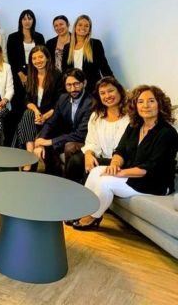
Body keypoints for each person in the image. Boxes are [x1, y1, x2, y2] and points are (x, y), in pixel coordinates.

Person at [73, 85, 178, 230]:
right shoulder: (134, 126)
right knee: (96, 171)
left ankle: (92, 217)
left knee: (105, 182)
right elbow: (121, 150)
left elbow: (152, 167)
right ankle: (84, 209)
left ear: (160, 104)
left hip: (154, 182)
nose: (145, 106)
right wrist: (114, 165)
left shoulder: (167, 133)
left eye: (151, 101)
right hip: (132, 174)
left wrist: (120, 173)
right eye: (140, 102)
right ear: (135, 105)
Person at [64, 76, 130, 184]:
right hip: (101, 157)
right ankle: (67, 189)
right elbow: (91, 141)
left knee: (91, 167)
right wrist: (88, 154)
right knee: (76, 161)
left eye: (110, 91)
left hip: (121, 161)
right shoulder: (96, 116)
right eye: (102, 93)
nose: (107, 96)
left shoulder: (130, 117)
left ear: (119, 91)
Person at [34, 68, 93, 176]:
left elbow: (81, 134)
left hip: (84, 140)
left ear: (84, 83)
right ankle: (53, 176)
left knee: (69, 146)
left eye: (76, 84)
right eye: (69, 85)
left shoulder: (91, 103)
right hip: (67, 135)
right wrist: (40, 141)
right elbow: (51, 122)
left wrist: (50, 141)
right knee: (43, 137)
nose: (72, 89)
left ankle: (68, 180)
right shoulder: (63, 98)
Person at [12, 46, 62, 170]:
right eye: (34, 58)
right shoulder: (31, 76)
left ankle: (29, 161)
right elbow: (27, 99)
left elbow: (59, 103)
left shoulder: (57, 76)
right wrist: (36, 111)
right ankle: (30, 156)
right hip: (36, 116)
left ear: (47, 58)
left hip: (52, 116)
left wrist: (45, 116)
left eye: (40, 57)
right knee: (28, 113)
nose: (37, 60)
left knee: (24, 121)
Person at [6, 9, 45, 145]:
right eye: (24, 18)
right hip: (18, 76)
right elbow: (11, 58)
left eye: (30, 18)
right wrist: (21, 74)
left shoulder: (39, 37)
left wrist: (33, 75)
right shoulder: (13, 37)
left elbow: (42, 56)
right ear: (20, 21)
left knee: (33, 106)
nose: (27, 21)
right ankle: (15, 143)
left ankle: (31, 139)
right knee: (18, 108)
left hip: (36, 74)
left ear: (33, 21)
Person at [63, 14, 113, 93]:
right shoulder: (67, 47)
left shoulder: (95, 44)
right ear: (75, 27)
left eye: (86, 26)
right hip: (74, 89)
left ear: (89, 30)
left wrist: (114, 85)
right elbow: (65, 71)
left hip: (92, 89)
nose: (83, 28)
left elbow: (104, 67)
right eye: (80, 25)